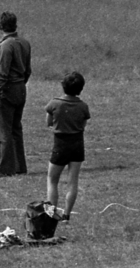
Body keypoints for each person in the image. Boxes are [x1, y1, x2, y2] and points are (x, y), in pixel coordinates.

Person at [0, 11, 32, 178]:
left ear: (0, 26)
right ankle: (19, 165)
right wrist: (21, 84)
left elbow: (2, 73)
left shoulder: (6, 46)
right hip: (21, 87)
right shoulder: (25, 43)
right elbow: (28, 70)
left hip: (7, 90)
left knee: (4, 129)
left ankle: (4, 168)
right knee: (16, 128)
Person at [44, 71, 90, 222]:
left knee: (52, 179)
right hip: (77, 145)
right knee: (73, 181)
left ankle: (51, 214)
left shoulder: (54, 103)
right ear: (80, 88)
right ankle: (67, 215)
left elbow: (49, 122)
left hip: (60, 145)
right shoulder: (83, 106)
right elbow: (83, 124)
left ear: (63, 86)